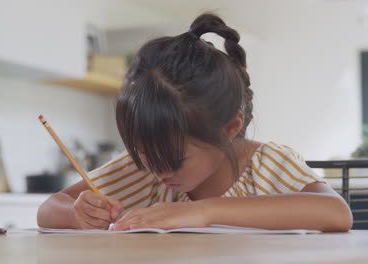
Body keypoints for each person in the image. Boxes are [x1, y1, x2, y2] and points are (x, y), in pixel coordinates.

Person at [37, 12, 352, 232]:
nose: (159, 171)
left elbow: (336, 213)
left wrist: (202, 212)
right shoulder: (146, 170)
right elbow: (47, 210)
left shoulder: (266, 165)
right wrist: (77, 214)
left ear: (229, 129)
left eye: (174, 159)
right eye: (144, 153)